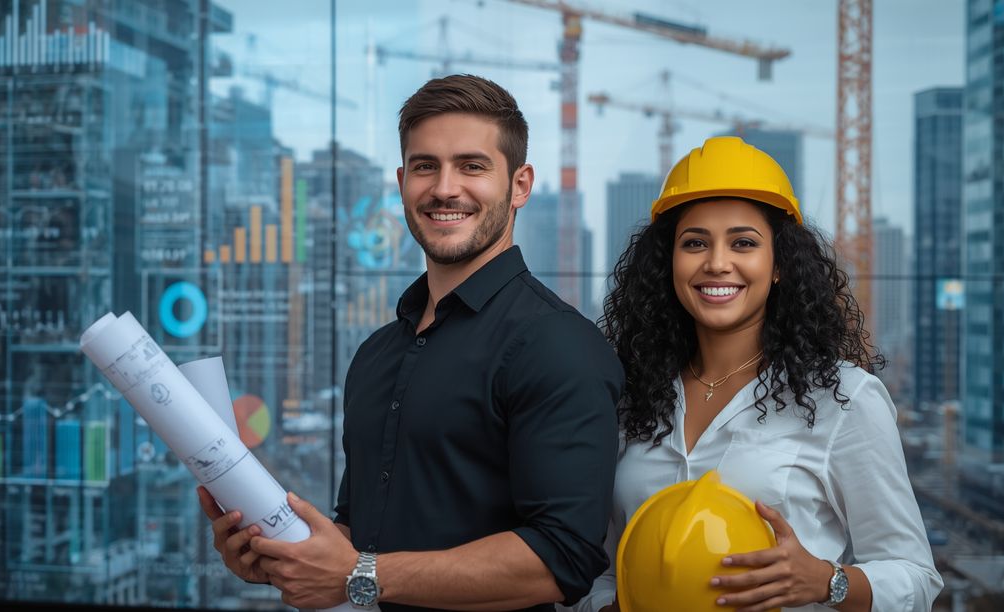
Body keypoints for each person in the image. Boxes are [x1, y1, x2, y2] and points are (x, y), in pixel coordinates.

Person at [198, 74, 624, 611]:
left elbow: (563, 557)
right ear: (402, 182)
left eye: (472, 166)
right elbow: (360, 539)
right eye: (425, 166)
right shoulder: (377, 353)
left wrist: (361, 573)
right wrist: (283, 557)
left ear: (520, 185)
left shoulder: (560, 345)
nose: (445, 188)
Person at [575, 136, 942, 612]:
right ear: (668, 264)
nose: (717, 263)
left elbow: (914, 577)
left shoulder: (845, 399)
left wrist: (827, 581)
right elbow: (595, 567)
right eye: (694, 243)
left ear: (778, 267)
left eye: (743, 242)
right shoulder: (629, 395)